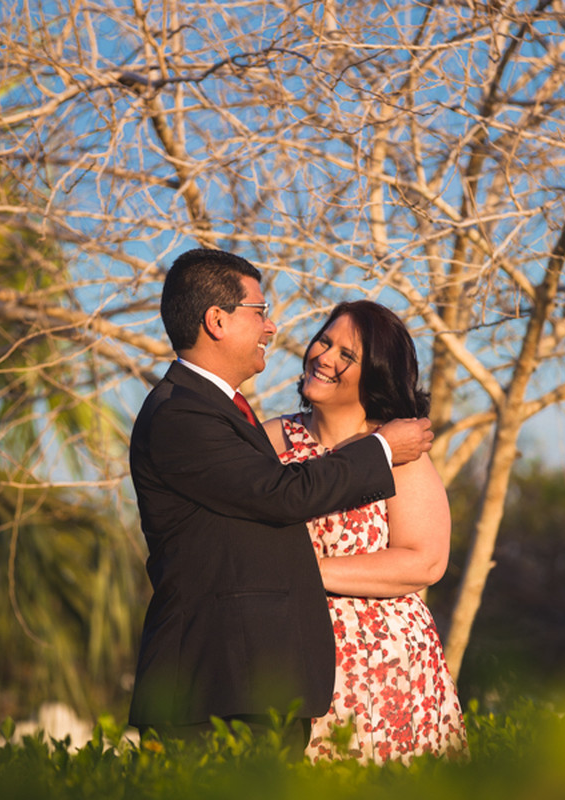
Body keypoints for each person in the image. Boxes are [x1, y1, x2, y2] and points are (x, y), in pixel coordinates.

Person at [127, 249, 433, 744]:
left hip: (256, 683)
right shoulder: (180, 414)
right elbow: (280, 494)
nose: (272, 329)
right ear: (217, 320)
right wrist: (382, 449)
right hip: (216, 688)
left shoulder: (218, 411)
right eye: (261, 311)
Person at [262, 300, 468, 764]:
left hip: (386, 666)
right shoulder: (271, 439)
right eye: (324, 340)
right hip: (287, 652)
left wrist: (306, 571)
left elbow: (425, 560)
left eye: (346, 355)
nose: (324, 357)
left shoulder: (401, 449)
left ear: (373, 373)